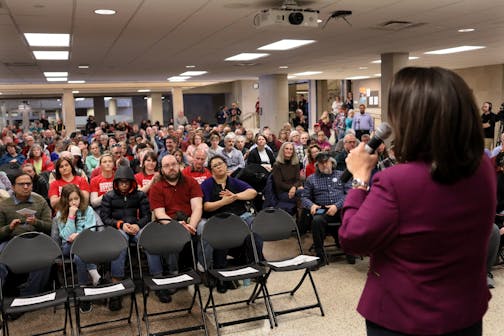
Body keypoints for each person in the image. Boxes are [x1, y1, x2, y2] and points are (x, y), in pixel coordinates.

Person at [340, 67, 495, 336]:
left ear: (413, 120)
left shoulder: (396, 181)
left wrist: (360, 178)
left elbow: (353, 239)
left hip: (405, 317)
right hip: (464, 312)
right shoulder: (483, 166)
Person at [199, 155, 260, 293]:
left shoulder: (234, 181)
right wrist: (223, 202)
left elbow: (252, 192)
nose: (219, 166)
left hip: (237, 217)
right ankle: (220, 274)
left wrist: (235, 196)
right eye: (215, 165)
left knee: (254, 229)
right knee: (223, 233)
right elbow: (206, 206)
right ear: (211, 170)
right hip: (218, 219)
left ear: (226, 165)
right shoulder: (207, 184)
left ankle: (254, 265)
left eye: (221, 163)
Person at [100, 165, 156, 309]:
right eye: (121, 182)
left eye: (126, 182)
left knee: (150, 241)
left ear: (132, 182)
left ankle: (158, 280)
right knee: (120, 244)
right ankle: (116, 288)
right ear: (116, 183)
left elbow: (147, 216)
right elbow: (105, 218)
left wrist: (138, 225)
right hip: (119, 228)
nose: (124, 185)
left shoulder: (140, 195)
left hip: (136, 227)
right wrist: (120, 224)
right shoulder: (108, 196)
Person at [149, 154, 203, 299]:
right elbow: (160, 214)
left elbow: (197, 207)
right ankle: (173, 274)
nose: (171, 168)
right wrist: (177, 226)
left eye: (173, 164)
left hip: (191, 219)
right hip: (169, 222)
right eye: (166, 166)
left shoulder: (191, 182)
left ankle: (204, 269)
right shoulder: (156, 187)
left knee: (205, 227)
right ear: (161, 170)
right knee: (171, 234)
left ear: (179, 165)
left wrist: (191, 226)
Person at [0, 172, 53, 298]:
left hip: (35, 240)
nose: (25, 187)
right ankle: (2, 298)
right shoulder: (4, 205)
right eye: (21, 184)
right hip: (11, 241)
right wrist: (9, 228)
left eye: (28, 184)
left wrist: (36, 222)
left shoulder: (40, 201)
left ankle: (29, 295)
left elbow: (50, 227)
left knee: (46, 259)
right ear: (13, 187)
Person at [301, 152, 351, 267]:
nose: (325, 165)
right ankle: (320, 256)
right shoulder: (311, 179)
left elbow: (350, 194)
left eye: (327, 162)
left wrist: (336, 206)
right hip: (322, 209)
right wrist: (311, 205)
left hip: (340, 208)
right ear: (317, 165)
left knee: (350, 217)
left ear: (332, 162)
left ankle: (349, 249)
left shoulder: (342, 175)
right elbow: (304, 197)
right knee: (316, 221)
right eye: (322, 163)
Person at [55, 184, 99, 313]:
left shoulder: (88, 210)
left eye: (76, 198)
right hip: (67, 247)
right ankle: (94, 275)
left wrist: (79, 235)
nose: (74, 202)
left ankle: (83, 291)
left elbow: (91, 229)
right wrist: (71, 216)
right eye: (70, 200)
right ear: (65, 201)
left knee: (79, 256)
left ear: (80, 197)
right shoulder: (60, 213)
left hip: (85, 243)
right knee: (78, 248)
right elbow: (66, 235)